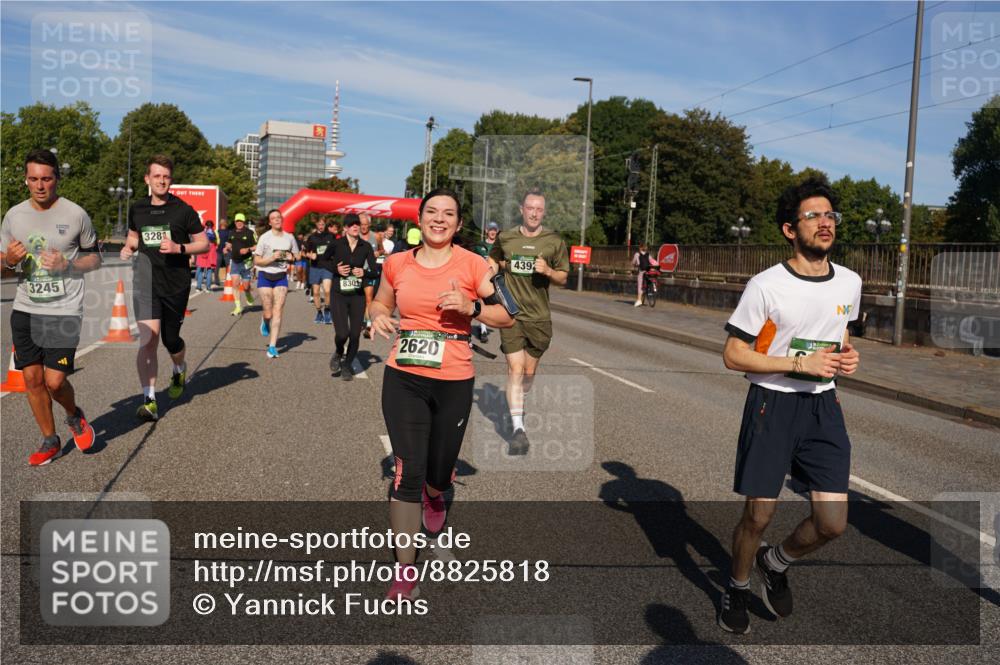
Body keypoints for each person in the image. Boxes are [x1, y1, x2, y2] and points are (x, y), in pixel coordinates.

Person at [717, 178, 861, 635]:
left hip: (823, 407)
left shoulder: (852, 281)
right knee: (758, 515)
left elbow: (841, 335)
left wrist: (848, 357)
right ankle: (737, 587)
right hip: (771, 405)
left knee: (832, 523)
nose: (825, 223)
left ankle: (774, 563)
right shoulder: (766, 285)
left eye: (830, 215)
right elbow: (733, 354)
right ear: (789, 230)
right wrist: (797, 362)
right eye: (813, 216)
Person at [370, 188, 514, 602]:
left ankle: (438, 493)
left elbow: (507, 315)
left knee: (437, 471)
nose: (439, 219)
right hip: (404, 377)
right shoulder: (397, 263)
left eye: (447, 213)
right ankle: (404, 569)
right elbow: (381, 301)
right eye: (431, 211)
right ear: (418, 218)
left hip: (453, 378)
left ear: (458, 223)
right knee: (407, 472)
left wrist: (472, 309)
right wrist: (379, 314)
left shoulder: (474, 265)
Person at [0, 149, 100, 465]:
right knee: (31, 380)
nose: (40, 185)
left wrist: (67, 265)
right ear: (26, 180)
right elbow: (1, 267)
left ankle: (73, 415)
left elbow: (95, 258)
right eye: (33, 179)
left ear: (57, 178)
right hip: (26, 309)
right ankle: (50, 440)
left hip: (65, 311)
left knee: (55, 381)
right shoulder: (14, 216)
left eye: (46, 178)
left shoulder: (76, 215)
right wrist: (9, 261)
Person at [120, 155, 209, 422]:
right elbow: (134, 236)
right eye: (156, 176)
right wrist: (128, 247)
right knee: (148, 340)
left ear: (171, 180)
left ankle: (179, 367)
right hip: (145, 282)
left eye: (166, 177)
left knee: (171, 340)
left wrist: (179, 248)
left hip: (175, 284)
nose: (161, 180)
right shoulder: (137, 208)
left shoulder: (184, 210)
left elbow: (203, 244)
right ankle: (149, 400)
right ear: (147, 179)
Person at [488, 188, 569, 455]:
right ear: (522, 209)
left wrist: (548, 271)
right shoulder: (507, 237)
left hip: (539, 317)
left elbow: (563, 278)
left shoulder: (554, 241)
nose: (534, 213)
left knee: (528, 374)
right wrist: (492, 272)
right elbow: (494, 258)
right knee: (515, 369)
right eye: (529, 208)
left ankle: (518, 403)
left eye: (539, 209)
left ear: (543, 212)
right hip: (511, 314)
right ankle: (518, 429)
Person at [322, 214, 375, 380]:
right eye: (351, 224)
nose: (355, 227)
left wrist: (364, 272)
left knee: (354, 334)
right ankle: (339, 351)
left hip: (357, 295)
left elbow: (375, 270)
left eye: (357, 224)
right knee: (342, 334)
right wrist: (336, 270)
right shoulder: (336, 244)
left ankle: (347, 364)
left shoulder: (365, 246)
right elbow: (322, 261)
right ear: (345, 228)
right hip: (338, 294)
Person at [253, 209, 299, 358]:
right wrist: (272, 258)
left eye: (279, 217)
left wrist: (291, 256)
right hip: (265, 275)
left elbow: (297, 255)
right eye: (274, 218)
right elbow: (257, 260)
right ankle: (265, 321)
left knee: (278, 310)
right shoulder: (264, 238)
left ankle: (272, 346)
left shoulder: (289, 238)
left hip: (281, 277)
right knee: (269, 311)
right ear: (270, 222)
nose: (277, 220)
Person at [471, 222, 500, 342]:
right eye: (490, 229)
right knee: (482, 302)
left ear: (497, 231)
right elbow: (472, 260)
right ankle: (483, 330)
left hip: (496, 278)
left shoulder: (500, 246)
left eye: (495, 230)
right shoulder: (479, 246)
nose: (492, 232)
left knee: (494, 305)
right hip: (482, 278)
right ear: (486, 231)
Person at [304, 217, 335, 324]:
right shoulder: (312, 238)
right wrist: (310, 255)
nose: (321, 226)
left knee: (327, 291)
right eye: (319, 224)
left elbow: (336, 249)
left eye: (323, 224)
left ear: (325, 224)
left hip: (328, 266)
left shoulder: (331, 236)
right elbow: (304, 252)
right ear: (316, 225)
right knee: (316, 293)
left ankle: (327, 310)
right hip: (315, 267)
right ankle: (319, 312)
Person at [226, 213, 256, 316]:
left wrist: (248, 249)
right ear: (235, 222)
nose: (239, 223)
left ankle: (248, 294)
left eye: (241, 221)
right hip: (235, 261)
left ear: (244, 222)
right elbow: (229, 243)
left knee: (246, 286)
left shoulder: (250, 233)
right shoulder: (231, 232)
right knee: (235, 284)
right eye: (237, 221)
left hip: (246, 262)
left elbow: (257, 246)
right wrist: (226, 247)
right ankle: (238, 307)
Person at [194, 219, 218, 293]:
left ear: (206, 225)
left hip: (203, 250)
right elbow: (217, 242)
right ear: (212, 226)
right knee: (209, 270)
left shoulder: (203, 232)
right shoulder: (214, 233)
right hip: (211, 251)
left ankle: (198, 287)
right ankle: (208, 288)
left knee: (201, 270)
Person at [215, 217, 230, 290]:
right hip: (226, 250)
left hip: (219, 251)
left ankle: (216, 281)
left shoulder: (217, 232)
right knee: (228, 266)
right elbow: (230, 242)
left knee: (217, 266)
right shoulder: (228, 232)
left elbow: (215, 241)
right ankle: (229, 279)